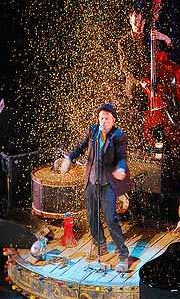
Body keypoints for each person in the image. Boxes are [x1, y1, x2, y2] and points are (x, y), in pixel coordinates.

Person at [61, 103, 133, 272]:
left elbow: (122, 156)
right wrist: (69, 158)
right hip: (91, 181)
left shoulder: (118, 135)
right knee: (92, 216)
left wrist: (121, 168)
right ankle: (100, 245)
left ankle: (123, 254)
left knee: (110, 219)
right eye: (101, 118)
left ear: (113, 120)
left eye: (106, 119)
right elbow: (79, 147)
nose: (103, 121)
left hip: (107, 183)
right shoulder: (92, 131)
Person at [118, 9, 172, 151]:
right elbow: (125, 68)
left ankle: (159, 150)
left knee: (159, 119)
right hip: (137, 87)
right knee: (138, 120)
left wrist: (164, 37)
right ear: (130, 21)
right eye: (135, 20)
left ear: (144, 21)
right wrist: (139, 81)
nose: (138, 23)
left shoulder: (151, 38)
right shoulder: (123, 42)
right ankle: (138, 151)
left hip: (153, 84)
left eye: (140, 20)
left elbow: (169, 52)